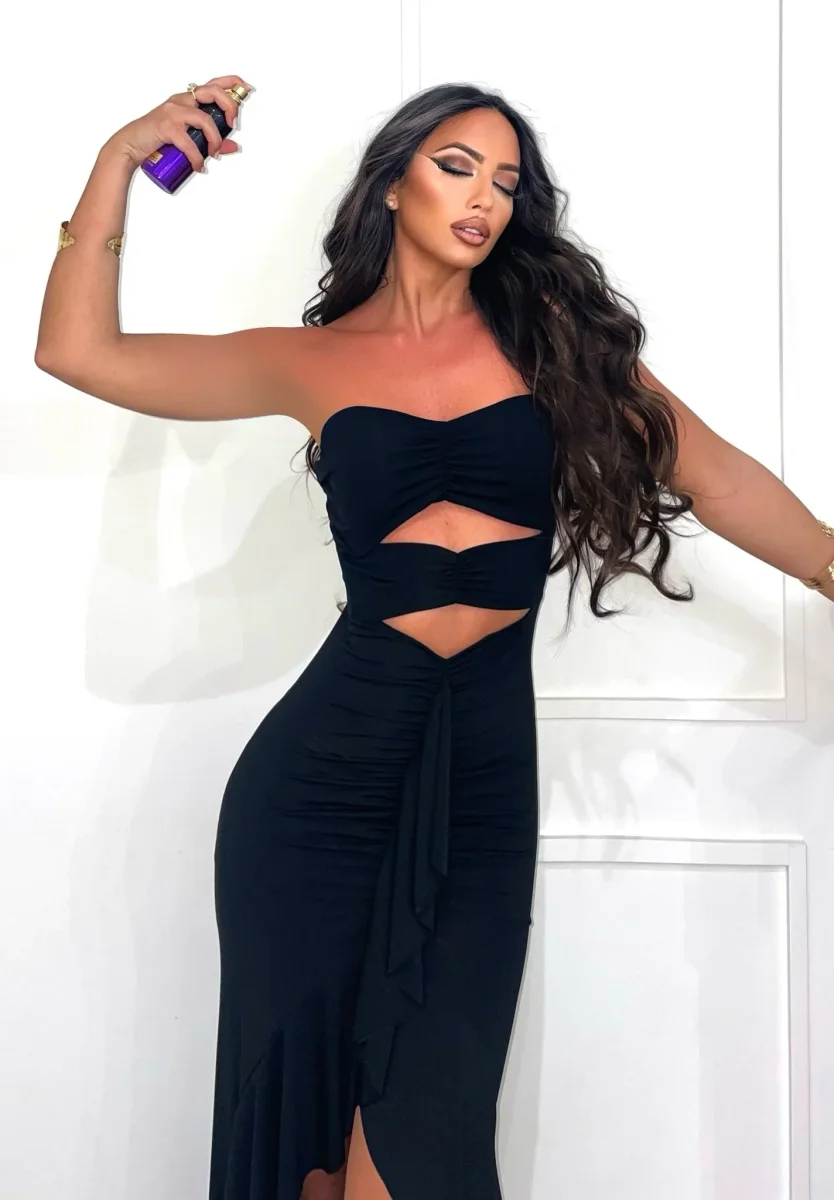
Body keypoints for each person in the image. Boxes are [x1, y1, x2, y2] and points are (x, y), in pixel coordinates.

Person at [35, 74, 834, 1200]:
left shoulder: (552, 340)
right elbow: (79, 353)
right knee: (302, 1134)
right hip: (316, 786)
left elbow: (718, 477)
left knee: (429, 1130)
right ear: (392, 184)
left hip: (480, 775)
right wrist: (120, 160)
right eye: (457, 167)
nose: (484, 198)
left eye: (506, 182)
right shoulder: (307, 360)